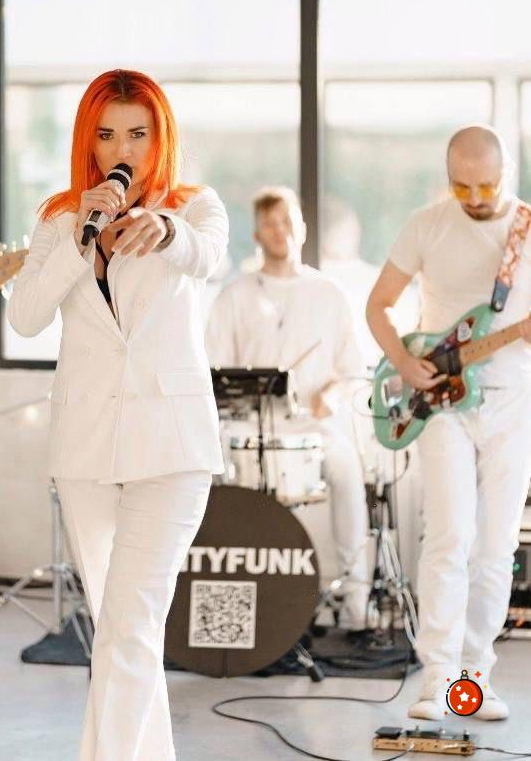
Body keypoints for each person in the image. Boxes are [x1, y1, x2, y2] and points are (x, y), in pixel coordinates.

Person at [8, 69, 228, 760]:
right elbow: (24, 315)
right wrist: (81, 241)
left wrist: (166, 231)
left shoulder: (194, 207)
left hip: (172, 447)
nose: (121, 149)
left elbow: (207, 256)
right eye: (106, 134)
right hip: (86, 448)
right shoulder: (59, 219)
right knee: (119, 630)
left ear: (160, 138)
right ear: (88, 140)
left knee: (129, 627)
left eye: (137, 133)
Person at [366, 124, 531, 721]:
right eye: (462, 187)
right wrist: (404, 361)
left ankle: (474, 678)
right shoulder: (427, 224)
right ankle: (435, 677)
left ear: (506, 172)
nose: (476, 197)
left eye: (486, 185)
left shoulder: (527, 229)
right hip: (441, 401)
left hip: (513, 403)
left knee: (496, 545)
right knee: (448, 536)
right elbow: (378, 304)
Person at [205, 186, 371, 630]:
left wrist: (330, 396)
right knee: (206, 467)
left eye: (287, 221)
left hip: (313, 428)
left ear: (302, 227)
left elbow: (351, 370)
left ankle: (356, 601)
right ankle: (222, 596)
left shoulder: (329, 293)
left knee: (347, 469)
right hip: (249, 429)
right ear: (257, 233)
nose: (279, 231)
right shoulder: (235, 295)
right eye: (269, 223)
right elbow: (215, 373)